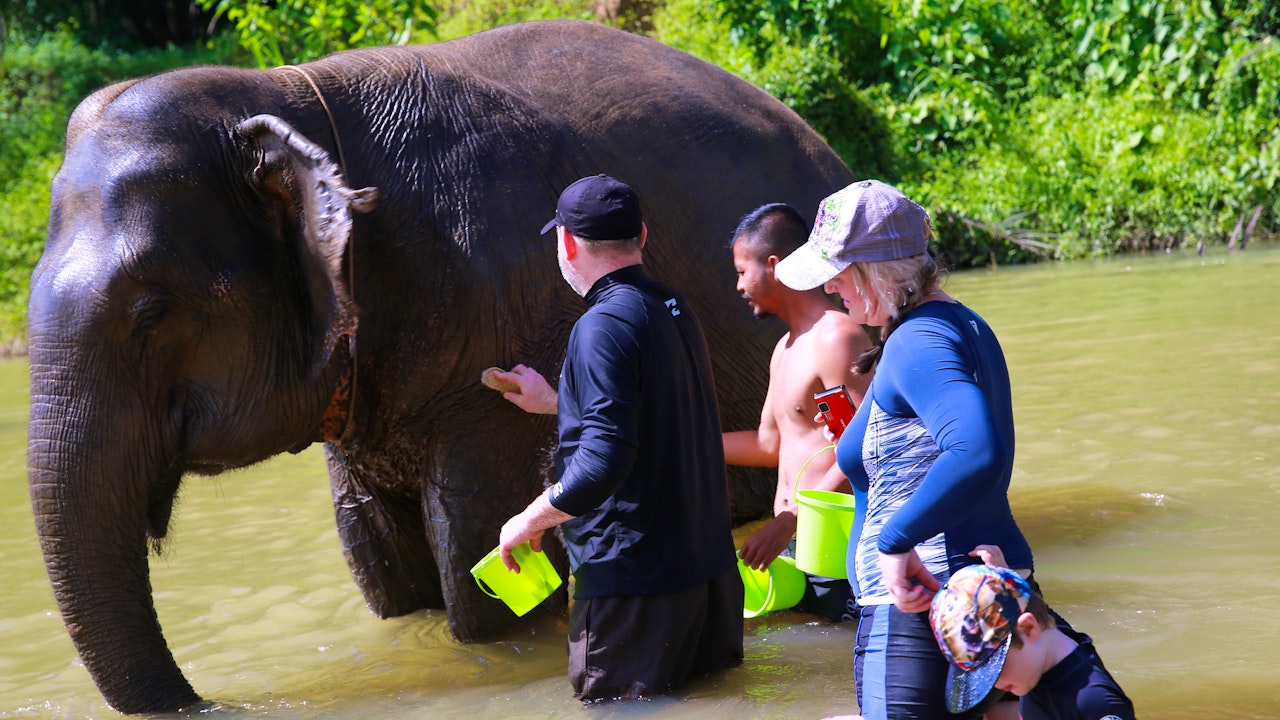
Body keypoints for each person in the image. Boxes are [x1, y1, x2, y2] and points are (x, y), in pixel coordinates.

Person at [774, 179, 1036, 720]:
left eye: (837, 275)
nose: (831, 291)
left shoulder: (918, 338)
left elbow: (973, 450)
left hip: (922, 602)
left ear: (872, 271)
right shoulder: (959, 322)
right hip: (977, 590)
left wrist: (894, 543)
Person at [495, 174, 744, 701]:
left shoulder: (601, 324)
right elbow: (653, 412)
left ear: (566, 243)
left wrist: (527, 520)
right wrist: (555, 400)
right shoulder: (672, 306)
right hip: (709, 579)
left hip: (636, 587)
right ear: (643, 236)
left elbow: (602, 463)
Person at [722, 202, 872, 622]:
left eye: (740, 271)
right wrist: (686, 445)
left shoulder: (835, 338)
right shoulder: (785, 348)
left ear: (773, 265)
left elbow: (866, 446)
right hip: (796, 545)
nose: (738, 286)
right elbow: (770, 444)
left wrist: (791, 518)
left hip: (834, 541)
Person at [930, 561, 1137, 720]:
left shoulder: (1094, 702)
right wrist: (1003, 579)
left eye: (994, 667)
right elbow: (1030, 604)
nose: (994, 683)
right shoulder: (1042, 653)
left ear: (1028, 629)